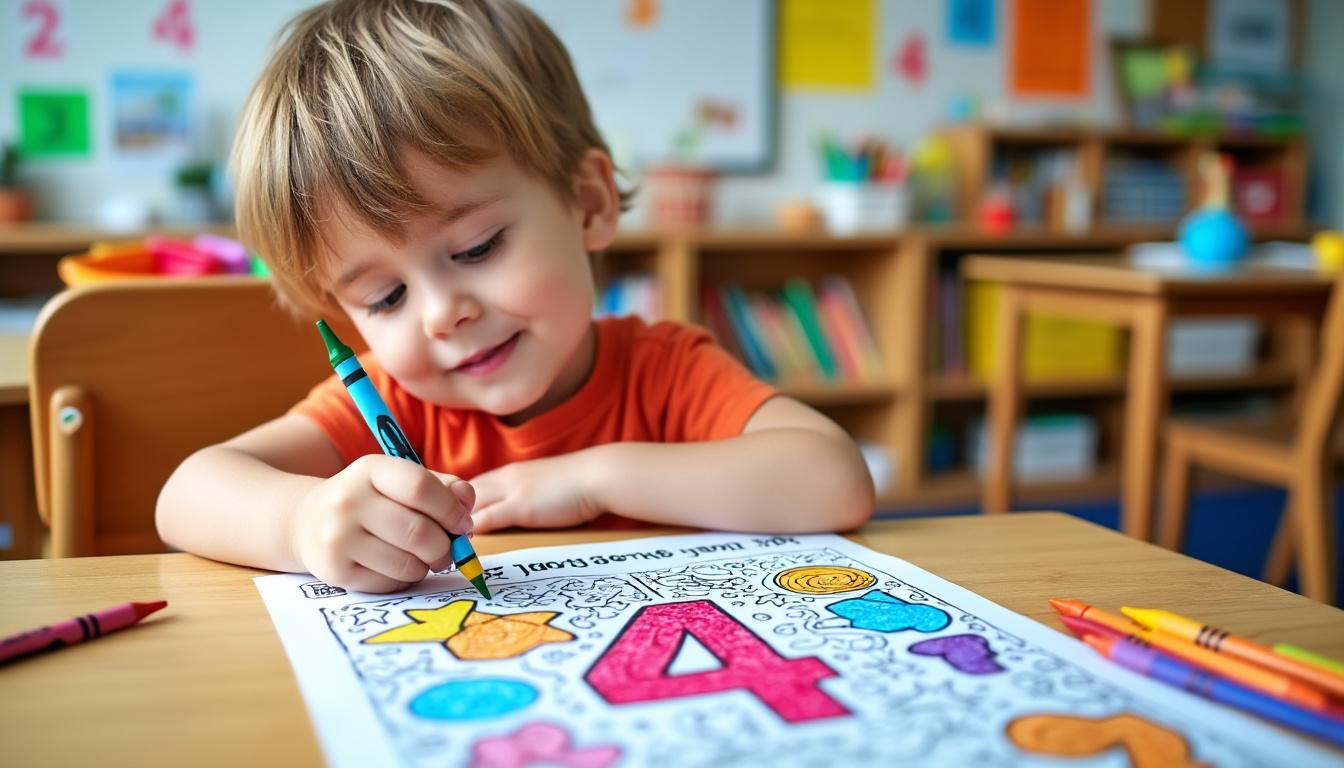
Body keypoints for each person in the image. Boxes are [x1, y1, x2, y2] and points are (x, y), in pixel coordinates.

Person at [157, 0, 874, 593]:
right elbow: (187, 494)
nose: (442, 313)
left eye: (476, 248)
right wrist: (301, 521)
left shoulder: (664, 372)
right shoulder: (389, 404)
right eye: (384, 297)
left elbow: (833, 479)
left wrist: (594, 479)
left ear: (588, 203)